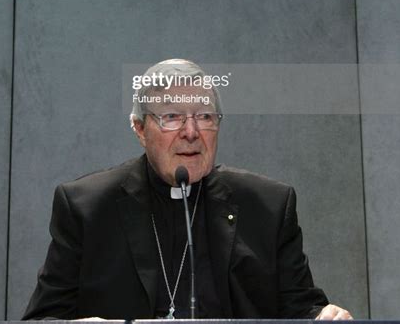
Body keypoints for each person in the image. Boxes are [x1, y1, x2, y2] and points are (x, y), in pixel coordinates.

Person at [23, 59, 352, 321]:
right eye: (172, 117)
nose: (191, 132)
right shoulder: (87, 206)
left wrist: (324, 317)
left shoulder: (268, 206)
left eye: (204, 116)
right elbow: (42, 318)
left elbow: (301, 310)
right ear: (140, 128)